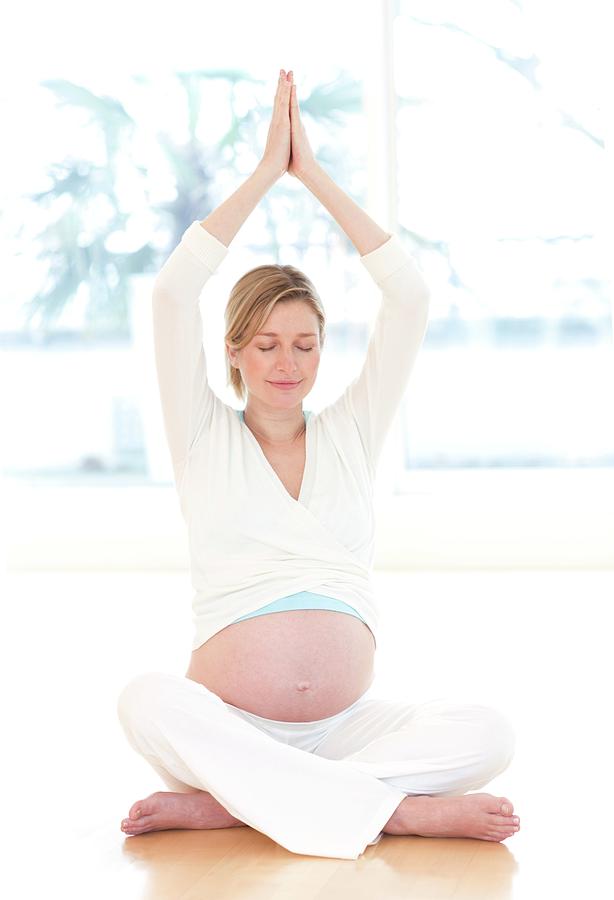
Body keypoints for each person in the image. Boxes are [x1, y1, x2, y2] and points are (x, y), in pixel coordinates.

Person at [116, 68, 520, 860]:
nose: (286, 362)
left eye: (304, 344)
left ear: (323, 351)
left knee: (489, 733)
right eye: (266, 344)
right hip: (226, 726)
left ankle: (244, 803)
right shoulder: (203, 436)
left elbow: (408, 298)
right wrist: (267, 176)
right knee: (144, 700)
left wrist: (318, 179)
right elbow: (172, 298)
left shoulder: (351, 432)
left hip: (347, 732)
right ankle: (391, 810)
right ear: (234, 352)